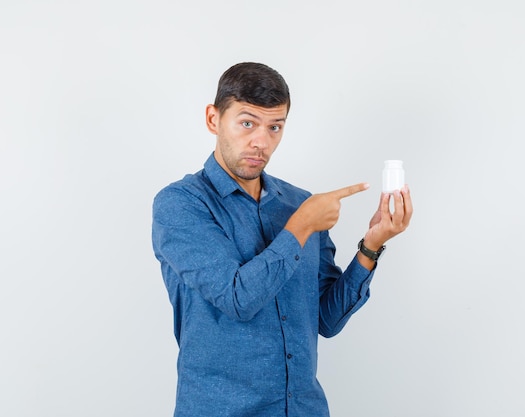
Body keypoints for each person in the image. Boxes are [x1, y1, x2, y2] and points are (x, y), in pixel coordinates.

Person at [151, 62, 412, 417]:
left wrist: (371, 245)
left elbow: (327, 321)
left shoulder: (300, 203)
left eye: (275, 127)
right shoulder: (181, 204)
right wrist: (301, 227)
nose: (261, 141)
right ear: (214, 119)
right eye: (247, 123)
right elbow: (237, 298)